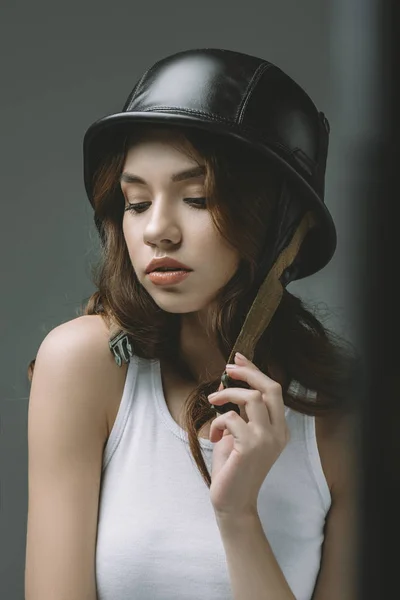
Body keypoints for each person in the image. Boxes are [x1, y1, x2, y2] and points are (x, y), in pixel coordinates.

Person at [25, 49, 359, 600]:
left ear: (281, 228)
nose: (158, 229)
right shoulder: (87, 365)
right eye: (136, 202)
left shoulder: (342, 418)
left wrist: (237, 516)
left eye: (198, 198)